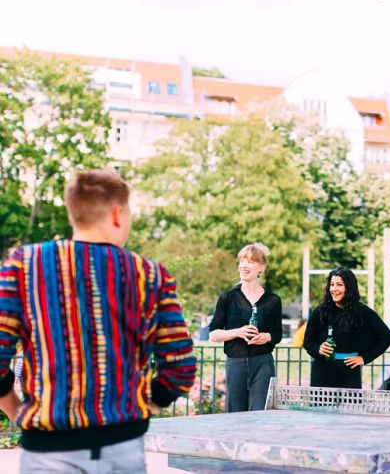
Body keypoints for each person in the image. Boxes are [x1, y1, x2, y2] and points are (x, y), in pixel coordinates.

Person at [0, 170, 196, 474]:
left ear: (73, 212)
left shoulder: (25, 265)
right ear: (118, 214)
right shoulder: (150, 274)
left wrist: (19, 414)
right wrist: (146, 408)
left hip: (46, 450)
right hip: (122, 447)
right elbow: (180, 368)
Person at [209, 243, 282, 412]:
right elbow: (213, 334)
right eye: (242, 261)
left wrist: (267, 337)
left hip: (263, 364)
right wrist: (238, 332)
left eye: (250, 261)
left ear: (261, 267)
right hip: (236, 364)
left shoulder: (273, 300)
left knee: (260, 414)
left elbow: (277, 334)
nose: (243, 265)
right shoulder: (227, 298)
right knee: (235, 415)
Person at [303, 267, 390, 389]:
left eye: (339, 285)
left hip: (350, 373)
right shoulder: (319, 311)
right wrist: (318, 348)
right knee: (321, 408)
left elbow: (387, 337)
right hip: (322, 372)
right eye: (332, 285)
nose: (334, 289)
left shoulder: (363, 312)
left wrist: (364, 358)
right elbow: (308, 341)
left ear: (349, 287)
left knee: (351, 408)